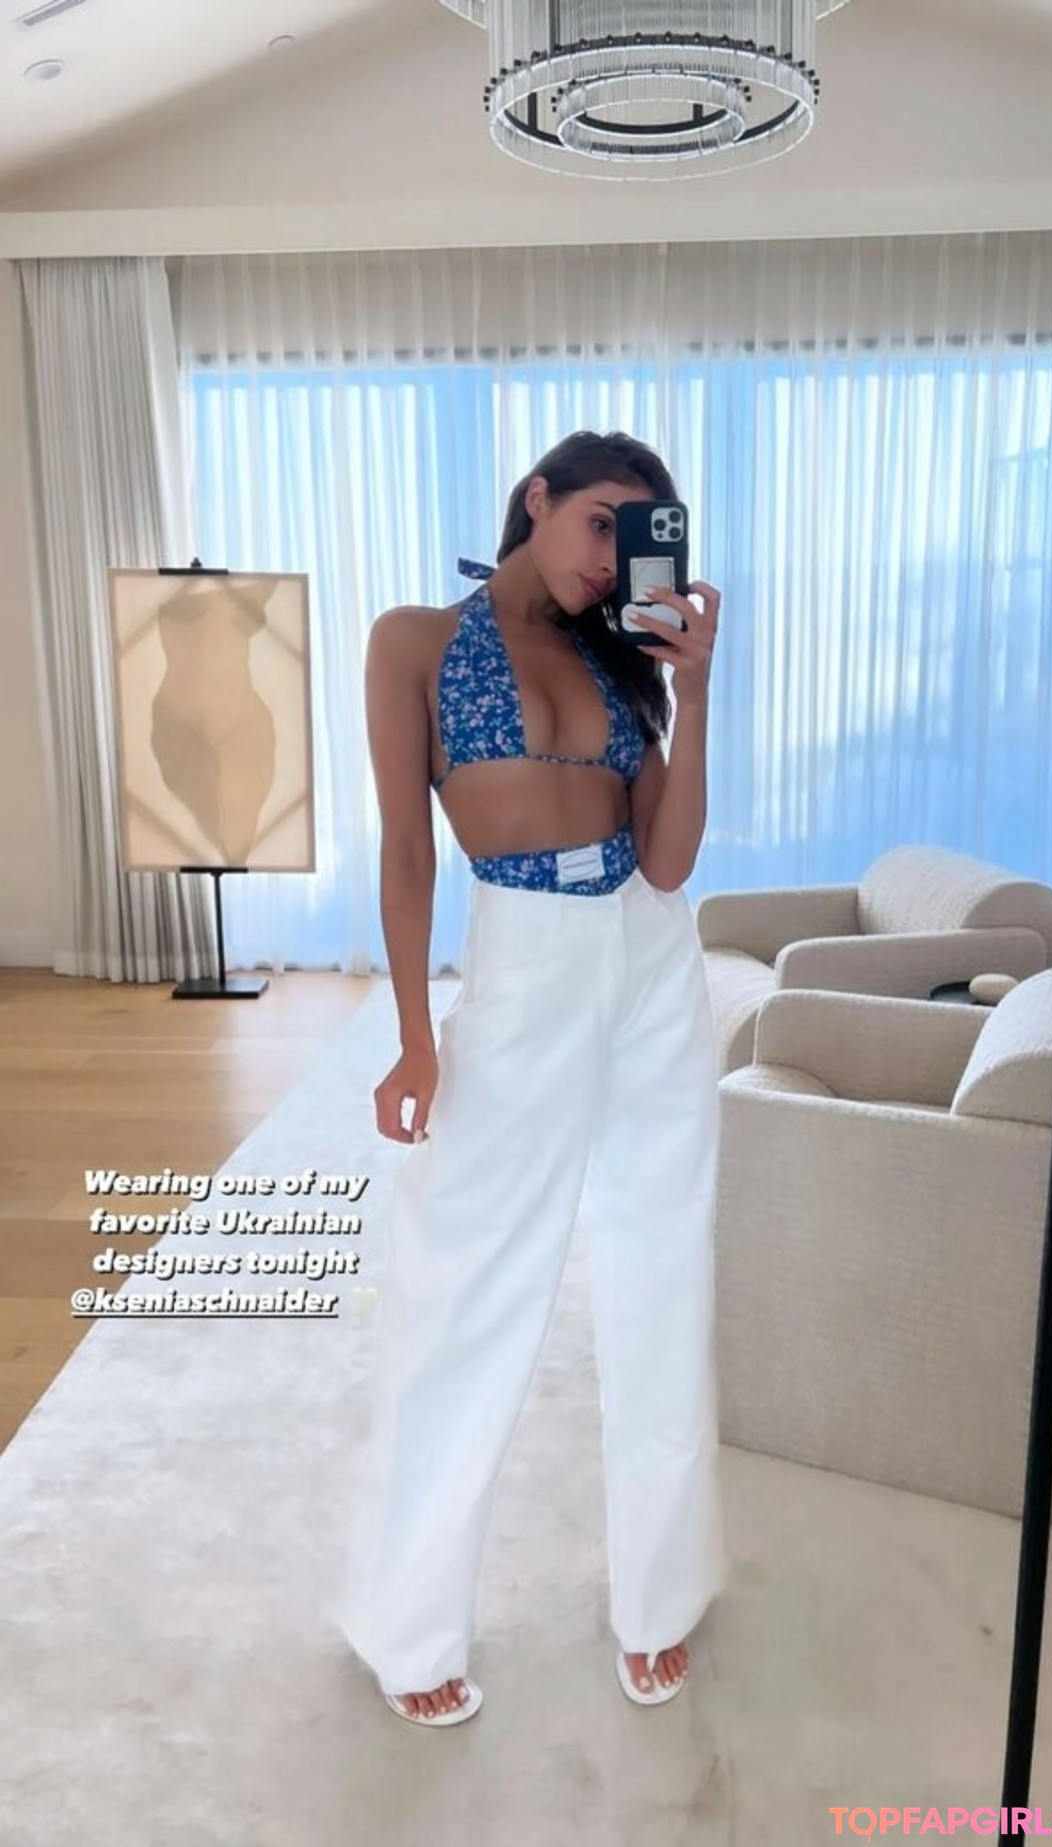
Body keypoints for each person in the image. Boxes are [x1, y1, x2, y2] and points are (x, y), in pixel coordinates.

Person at [338, 429, 723, 1727]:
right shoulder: (414, 643)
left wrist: (695, 692)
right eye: (601, 523)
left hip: (649, 961)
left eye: (636, 537)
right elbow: (407, 851)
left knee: (662, 1268)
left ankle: (661, 1598)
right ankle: (408, 1618)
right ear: (538, 498)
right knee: (466, 1288)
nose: (612, 560)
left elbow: (667, 863)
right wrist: (414, 1033)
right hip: (525, 958)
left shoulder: (626, 659)